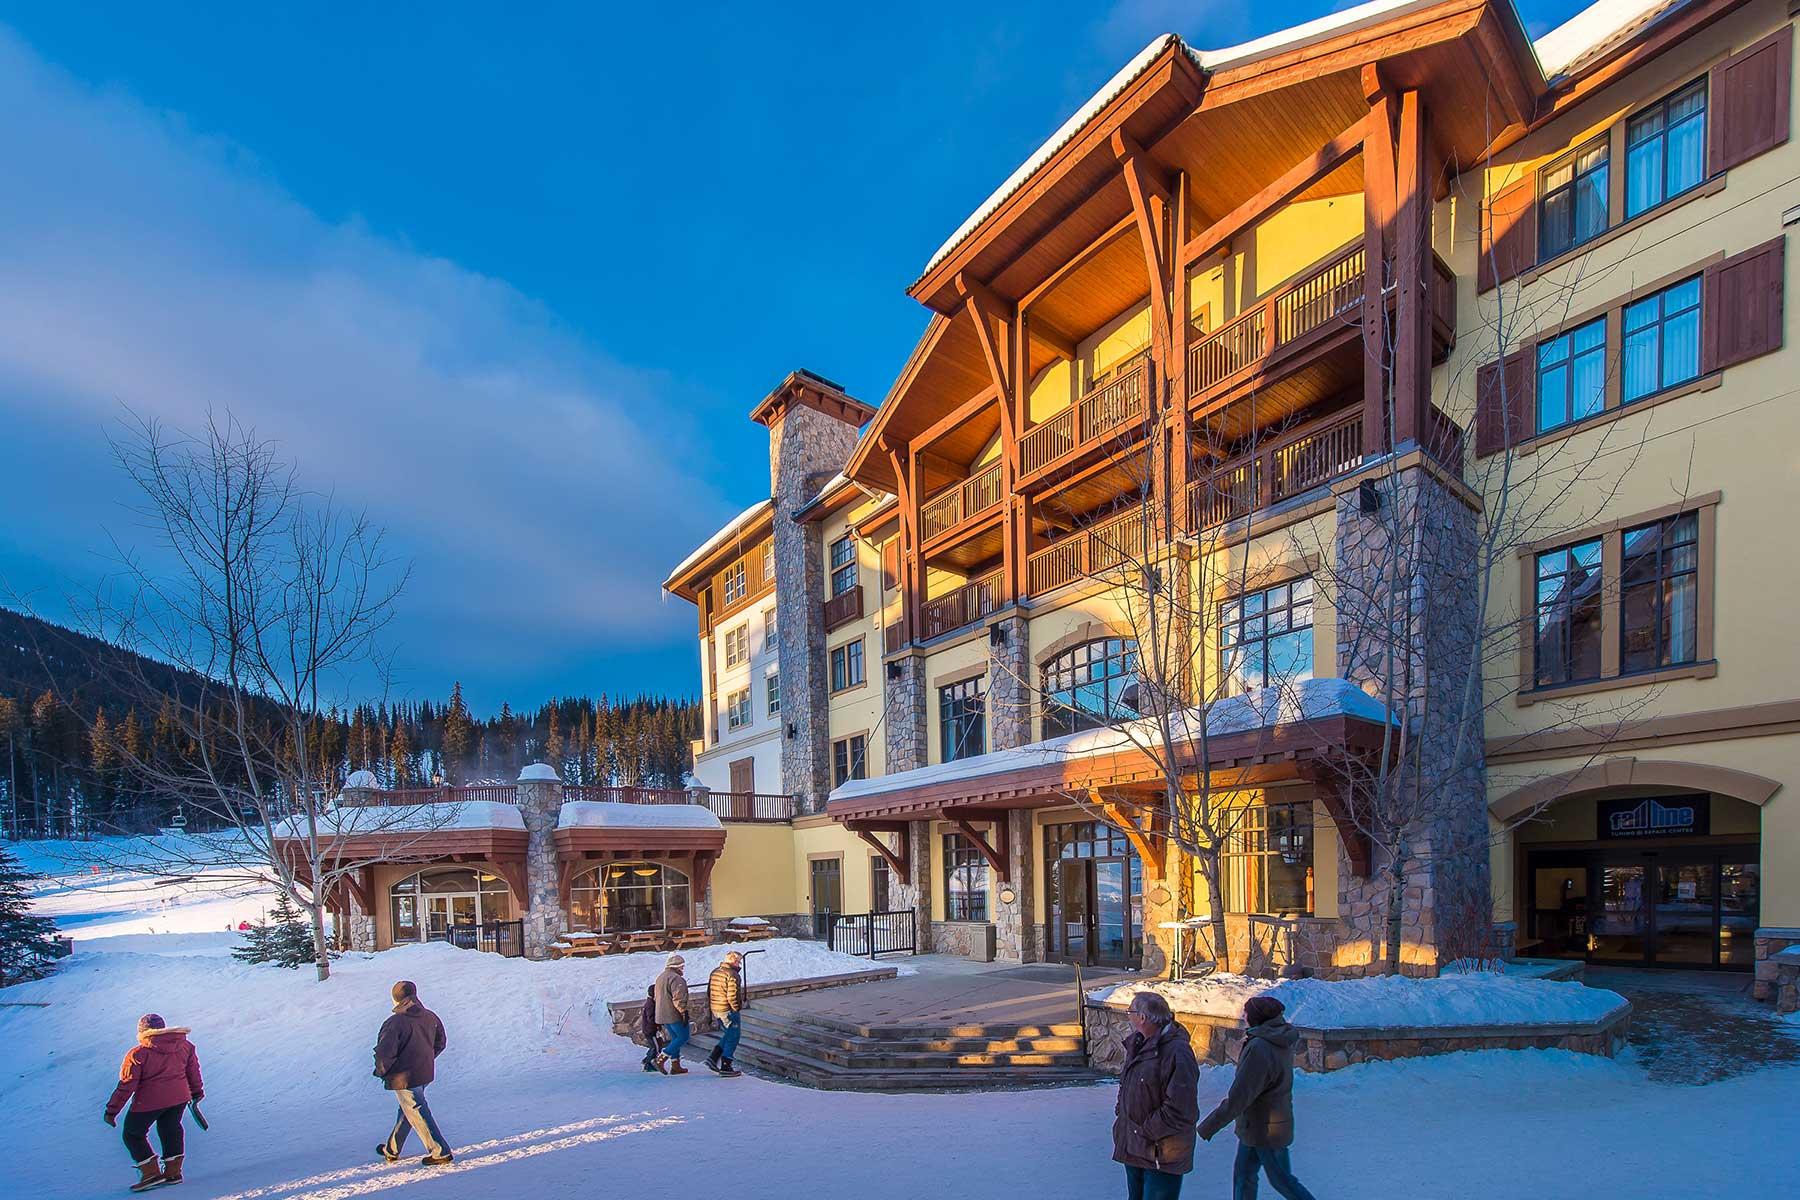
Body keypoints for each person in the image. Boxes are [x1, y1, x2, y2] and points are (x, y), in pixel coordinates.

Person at [1198, 995, 1316, 1200]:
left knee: (1281, 1180)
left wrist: (1209, 1125)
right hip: (1259, 1125)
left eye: (1247, 1013)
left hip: (1266, 1128)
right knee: (1244, 1176)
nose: (1243, 1016)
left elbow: (1241, 1094)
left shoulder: (1260, 1047)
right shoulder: (1277, 1038)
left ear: (1256, 1018)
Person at [1111, 991, 1199, 1200]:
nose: (1128, 1016)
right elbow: (1128, 1084)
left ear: (1142, 1017)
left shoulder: (1177, 1052)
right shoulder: (1138, 1044)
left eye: (1130, 1011)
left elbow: (1180, 1108)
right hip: (1135, 1147)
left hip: (1162, 1152)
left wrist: (1144, 1130)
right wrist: (1123, 1114)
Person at [104, 1013, 203, 1192]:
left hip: (149, 1102)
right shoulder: (185, 1046)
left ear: (142, 1032)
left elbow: (127, 1085)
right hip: (179, 1098)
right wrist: (196, 1092)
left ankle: (150, 1174)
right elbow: (193, 1071)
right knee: (170, 1128)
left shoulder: (138, 1054)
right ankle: (173, 1172)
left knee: (132, 1134)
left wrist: (112, 1110)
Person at [373, 980, 453, 1166]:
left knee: (415, 1109)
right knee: (408, 1110)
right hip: (424, 1072)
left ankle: (440, 1151)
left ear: (396, 999)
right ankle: (391, 1149)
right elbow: (440, 1042)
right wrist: (426, 1059)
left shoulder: (394, 1022)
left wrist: (382, 1071)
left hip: (403, 1076)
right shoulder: (430, 1016)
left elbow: (385, 1052)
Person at [705, 951, 744, 1077]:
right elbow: (732, 996)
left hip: (716, 1008)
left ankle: (713, 1057)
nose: (739, 964)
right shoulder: (732, 974)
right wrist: (736, 1008)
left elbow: (709, 991)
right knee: (733, 1036)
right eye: (739, 961)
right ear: (734, 961)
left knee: (728, 1034)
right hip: (727, 1010)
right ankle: (726, 1066)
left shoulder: (715, 971)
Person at [653, 953, 691, 1075]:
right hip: (673, 1014)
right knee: (683, 1037)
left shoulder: (661, 977)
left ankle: (675, 1065)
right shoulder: (676, 979)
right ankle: (660, 1059)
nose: (683, 969)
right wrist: (683, 1012)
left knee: (675, 1038)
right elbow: (678, 998)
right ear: (677, 966)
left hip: (662, 1013)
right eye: (682, 966)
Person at [639, 984, 663, 1073]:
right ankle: (648, 1065)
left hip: (650, 1029)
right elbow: (651, 1018)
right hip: (650, 1030)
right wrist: (657, 1025)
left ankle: (646, 1060)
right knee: (656, 1047)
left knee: (655, 1046)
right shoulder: (651, 1004)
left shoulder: (651, 1002)